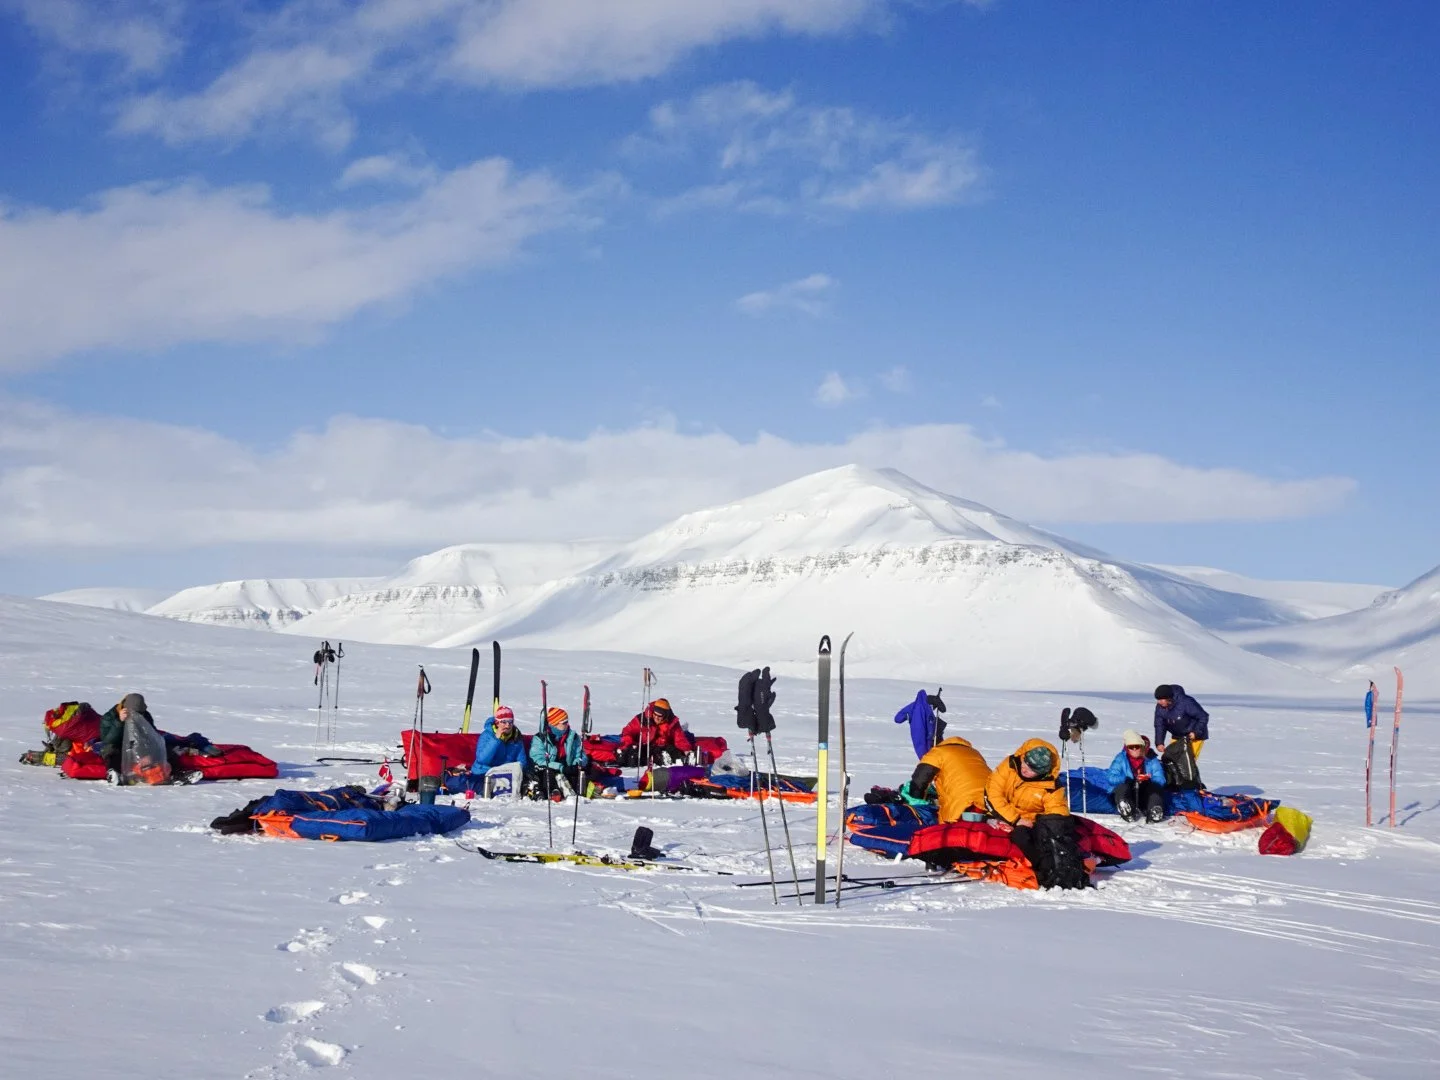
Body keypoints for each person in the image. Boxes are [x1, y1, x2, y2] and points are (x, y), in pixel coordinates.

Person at [984, 738, 1070, 865]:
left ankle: (1042, 865)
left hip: (1030, 824)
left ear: (1042, 772)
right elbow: (992, 794)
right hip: (1000, 815)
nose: (1024, 769)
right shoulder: (1010, 765)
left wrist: (1041, 829)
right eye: (1025, 763)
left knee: (1025, 837)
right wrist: (1015, 819)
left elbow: (1057, 812)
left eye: (1031, 770)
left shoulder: (1051, 787)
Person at [97, 693, 206, 785]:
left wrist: (148, 753)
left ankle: (177, 775)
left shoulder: (145, 715)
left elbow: (151, 734)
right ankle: (115, 774)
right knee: (111, 752)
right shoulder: (109, 717)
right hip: (119, 746)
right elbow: (108, 740)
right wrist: (119, 722)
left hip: (140, 746)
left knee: (165, 749)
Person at [904, 735, 991, 823]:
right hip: (991, 802)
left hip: (964, 805)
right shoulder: (974, 753)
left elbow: (920, 780)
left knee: (951, 832)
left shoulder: (938, 752)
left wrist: (916, 802)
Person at [1153, 684, 1209, 789]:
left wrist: (1195, 732)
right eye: (1158, 700)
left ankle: (1194, 786)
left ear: (1168, 698)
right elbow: (1159, 725)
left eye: (1161, 699)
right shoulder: (1160, 708)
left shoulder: (1186, 702)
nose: (1159, 702)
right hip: (1177, 736)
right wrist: (1159, 742)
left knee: (1187, 763)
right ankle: (1176, 785)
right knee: (1171, 760)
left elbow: (1203, 716)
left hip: (1193, 737)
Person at [1105, 730, 1166, 823]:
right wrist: (1125, 779)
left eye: (1136, 747)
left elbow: (1161, 778)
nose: (1134, 749)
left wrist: (1149, 779)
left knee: (1155, 787)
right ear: (1127, 748)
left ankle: (1154, 811)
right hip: (1129, 791)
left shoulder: (1151, 759)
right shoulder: (1121, 758)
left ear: (1142, 747)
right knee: (1122, 787)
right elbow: (1110, 777)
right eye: (1131, 747)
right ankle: (1126, 809)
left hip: (1145, 792)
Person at [529, 706, 590, 799]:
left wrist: (577, 764)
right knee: (547, 773)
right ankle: (556, 791)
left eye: (567, 721)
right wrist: (560, 767)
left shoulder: (573, 737)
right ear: (554, 724)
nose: (567, 724)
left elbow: (582, 754)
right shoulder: (540, 738)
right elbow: (538, 759)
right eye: (564, 722)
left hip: (568, 768)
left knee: (589, 770)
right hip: (551, 769)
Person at [617, 698, 695, 767]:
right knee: (633, 755)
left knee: (673, 750)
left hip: (662, 747)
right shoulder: (642, 719)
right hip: (644, 746)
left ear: (665, 716)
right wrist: (628, 744)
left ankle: (682, 760)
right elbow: (627, 731)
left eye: (659, 716)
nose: (656, 717)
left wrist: (687, 751)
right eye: (655, 714)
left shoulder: (672, 722)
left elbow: (679, 738)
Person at [469, 705, 526, 777]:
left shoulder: (516, 737)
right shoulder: (487, 735)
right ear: (497, 723)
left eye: (510, 721)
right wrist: (496, 739)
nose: (508, 725)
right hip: (484, 772)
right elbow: (482, 760)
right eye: (504, 722)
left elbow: (521, 761)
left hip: (506, 774)